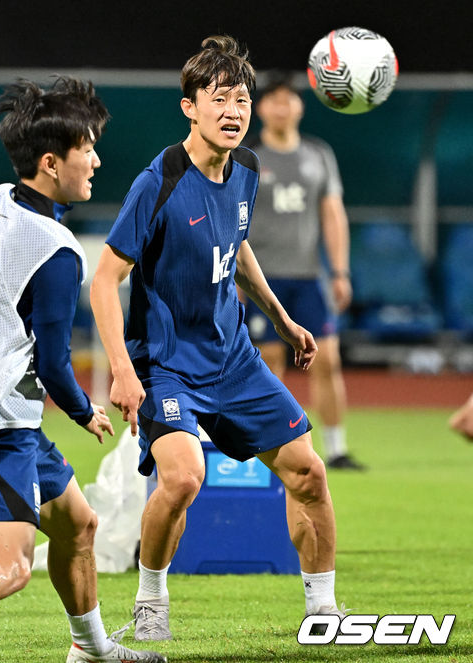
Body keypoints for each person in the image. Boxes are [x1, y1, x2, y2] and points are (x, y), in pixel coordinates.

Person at [90, 36, 346, 642]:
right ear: (190, 107)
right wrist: (123, 372)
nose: (233, 110)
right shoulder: (159, 181)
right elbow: (105, 281)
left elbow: (236, 245)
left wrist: (280, 317)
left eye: (241, 98)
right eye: (218, 98)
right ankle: (151, 599)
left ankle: (324, 612)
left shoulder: (247, 170)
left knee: (309, 473)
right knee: (181, 477)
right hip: (166, 364)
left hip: (233, 359)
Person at [0, 77, 165, 663]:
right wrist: (82, 410)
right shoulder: (56, 249)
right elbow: (52, 360)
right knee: (9, 565)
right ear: (50, 162)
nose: (95, 159)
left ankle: (91, 650)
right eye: (86, 148)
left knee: (79, 526)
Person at [244, 72, 365, 470]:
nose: (282, 106)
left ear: (300, 106)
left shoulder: (318, 154)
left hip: (309, 277)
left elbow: (333, 214)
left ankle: (337, 448)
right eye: (274, 99)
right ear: (260, 108)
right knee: (270, 365)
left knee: (328, 361)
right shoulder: (248, 156)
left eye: (289, 99)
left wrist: (340, 271)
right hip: (263, 281)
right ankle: (272, 449)